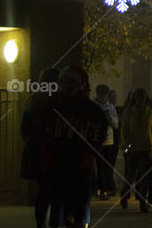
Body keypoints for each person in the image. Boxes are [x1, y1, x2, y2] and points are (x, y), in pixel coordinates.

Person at [37, 66, 106, 228]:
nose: (65, 86)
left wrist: (90, 153)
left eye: (69, 82)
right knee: (57, 201)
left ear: (79, 85)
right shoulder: (51, 106)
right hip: (57, 161)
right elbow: (40, 130)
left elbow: (99, 134)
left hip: (79, 162)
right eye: (63, 82)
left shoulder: (91, 110)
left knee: (78, 204)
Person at [20, 66, 59, 228]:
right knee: (54, 190)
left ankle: (41, 223)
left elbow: (24, 128)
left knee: (44, 189)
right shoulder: (57, 101)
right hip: (52, 150)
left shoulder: (33, 100)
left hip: (38, 150)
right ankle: (53, 222)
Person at [119, 88, 152, 213]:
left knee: (144, 176)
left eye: (142, 96)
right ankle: (124, 193)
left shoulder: (151, 112)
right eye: (137, 96)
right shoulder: (128, 112)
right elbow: (124, 130)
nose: (140, 98)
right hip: (133, 148)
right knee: (131, 175)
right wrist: (128, 144)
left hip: (147, 147)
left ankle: (142, 201)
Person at [94, 84, 119, 200]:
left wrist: (109, 118)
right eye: (101, 94)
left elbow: (115, 125)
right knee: (100, 166)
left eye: (105, 95)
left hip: (109, 141)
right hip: (97, 141)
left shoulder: (111, 107)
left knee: (108, 166)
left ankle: (107, 188)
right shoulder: (93, 106)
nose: (103, 97)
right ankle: (101, 189)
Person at [105, 90, 120, 196]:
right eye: (113, 97)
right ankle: (110, 187)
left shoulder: (114, 108)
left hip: (114, 140)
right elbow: (115, 124)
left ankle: (109, 186)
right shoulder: (109, 108)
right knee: (109, 164)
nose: (115, 99)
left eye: (115, 97)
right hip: (110, 140)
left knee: (110, 165)